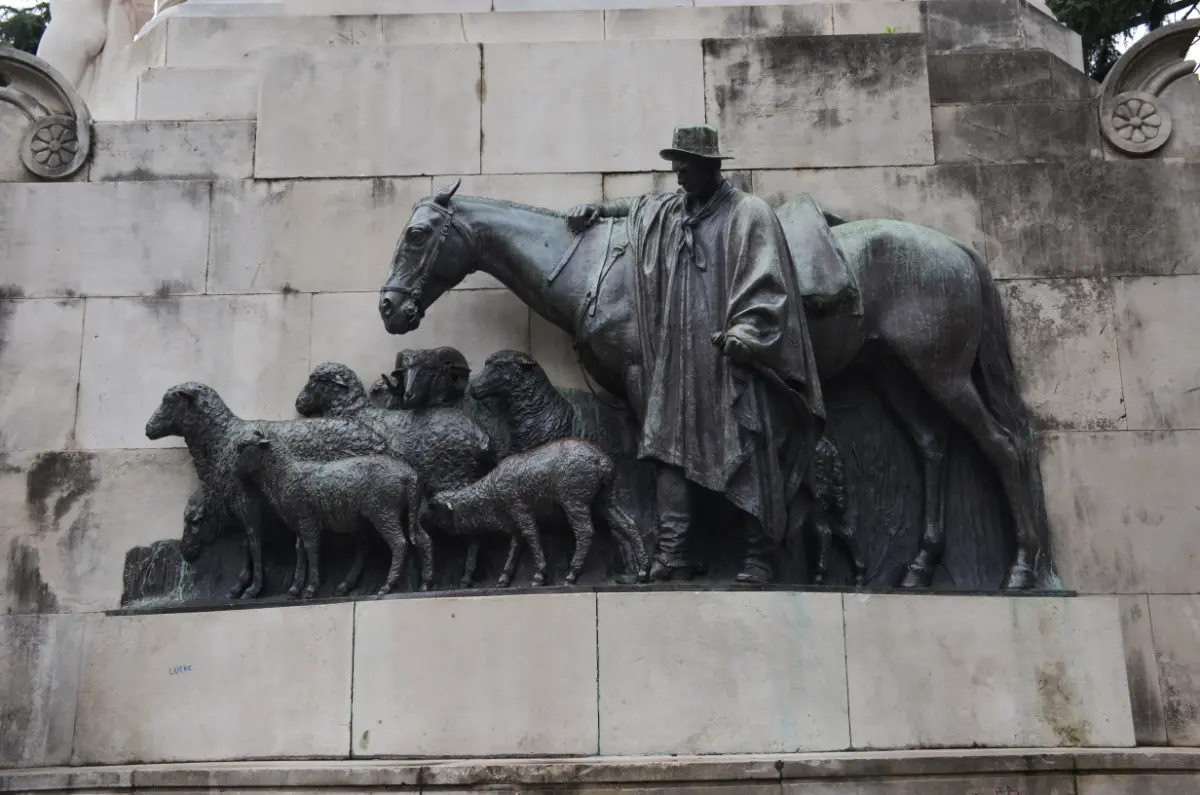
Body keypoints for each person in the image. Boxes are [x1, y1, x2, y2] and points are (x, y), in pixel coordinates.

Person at [566, 124, 825, 583]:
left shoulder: (749, 213)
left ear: (710, 165)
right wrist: (599, 208)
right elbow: (639, 206)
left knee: (747, 449)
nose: (679, 174)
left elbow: (769, 286)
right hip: (678, 360)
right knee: (667, 451)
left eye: (686, 166)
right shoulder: (672, 213)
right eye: (676, 167)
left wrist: (746, 334)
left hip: (733, 362)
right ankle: (674, 553)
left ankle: (759, 557)